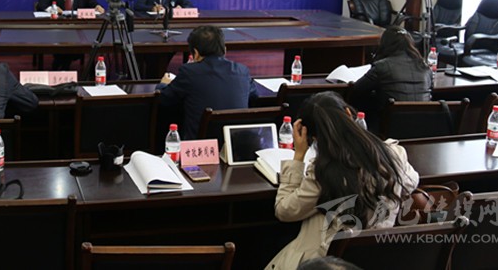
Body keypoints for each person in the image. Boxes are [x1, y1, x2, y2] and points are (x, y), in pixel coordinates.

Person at [265, 91, 419, 269]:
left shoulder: (324, 172)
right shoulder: (393, 154)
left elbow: (284, 211)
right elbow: (411, 182)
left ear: (313, 137)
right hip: (375, 258)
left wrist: (298, 156)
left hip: (324, 263)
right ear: (348, 113)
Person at [156, 25, 258, 140]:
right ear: (224, 50)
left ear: (195, 53)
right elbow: (254, 95)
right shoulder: (242, 71)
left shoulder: (189, 72)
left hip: (200, 145)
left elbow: (165, 98)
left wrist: (163, 84)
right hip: (235, 143)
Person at [349, 26, 432, 120]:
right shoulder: (424, 67)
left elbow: (356, 90)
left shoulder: (382, 66)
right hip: (424, 123)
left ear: (384, 44)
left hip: (392, 124)